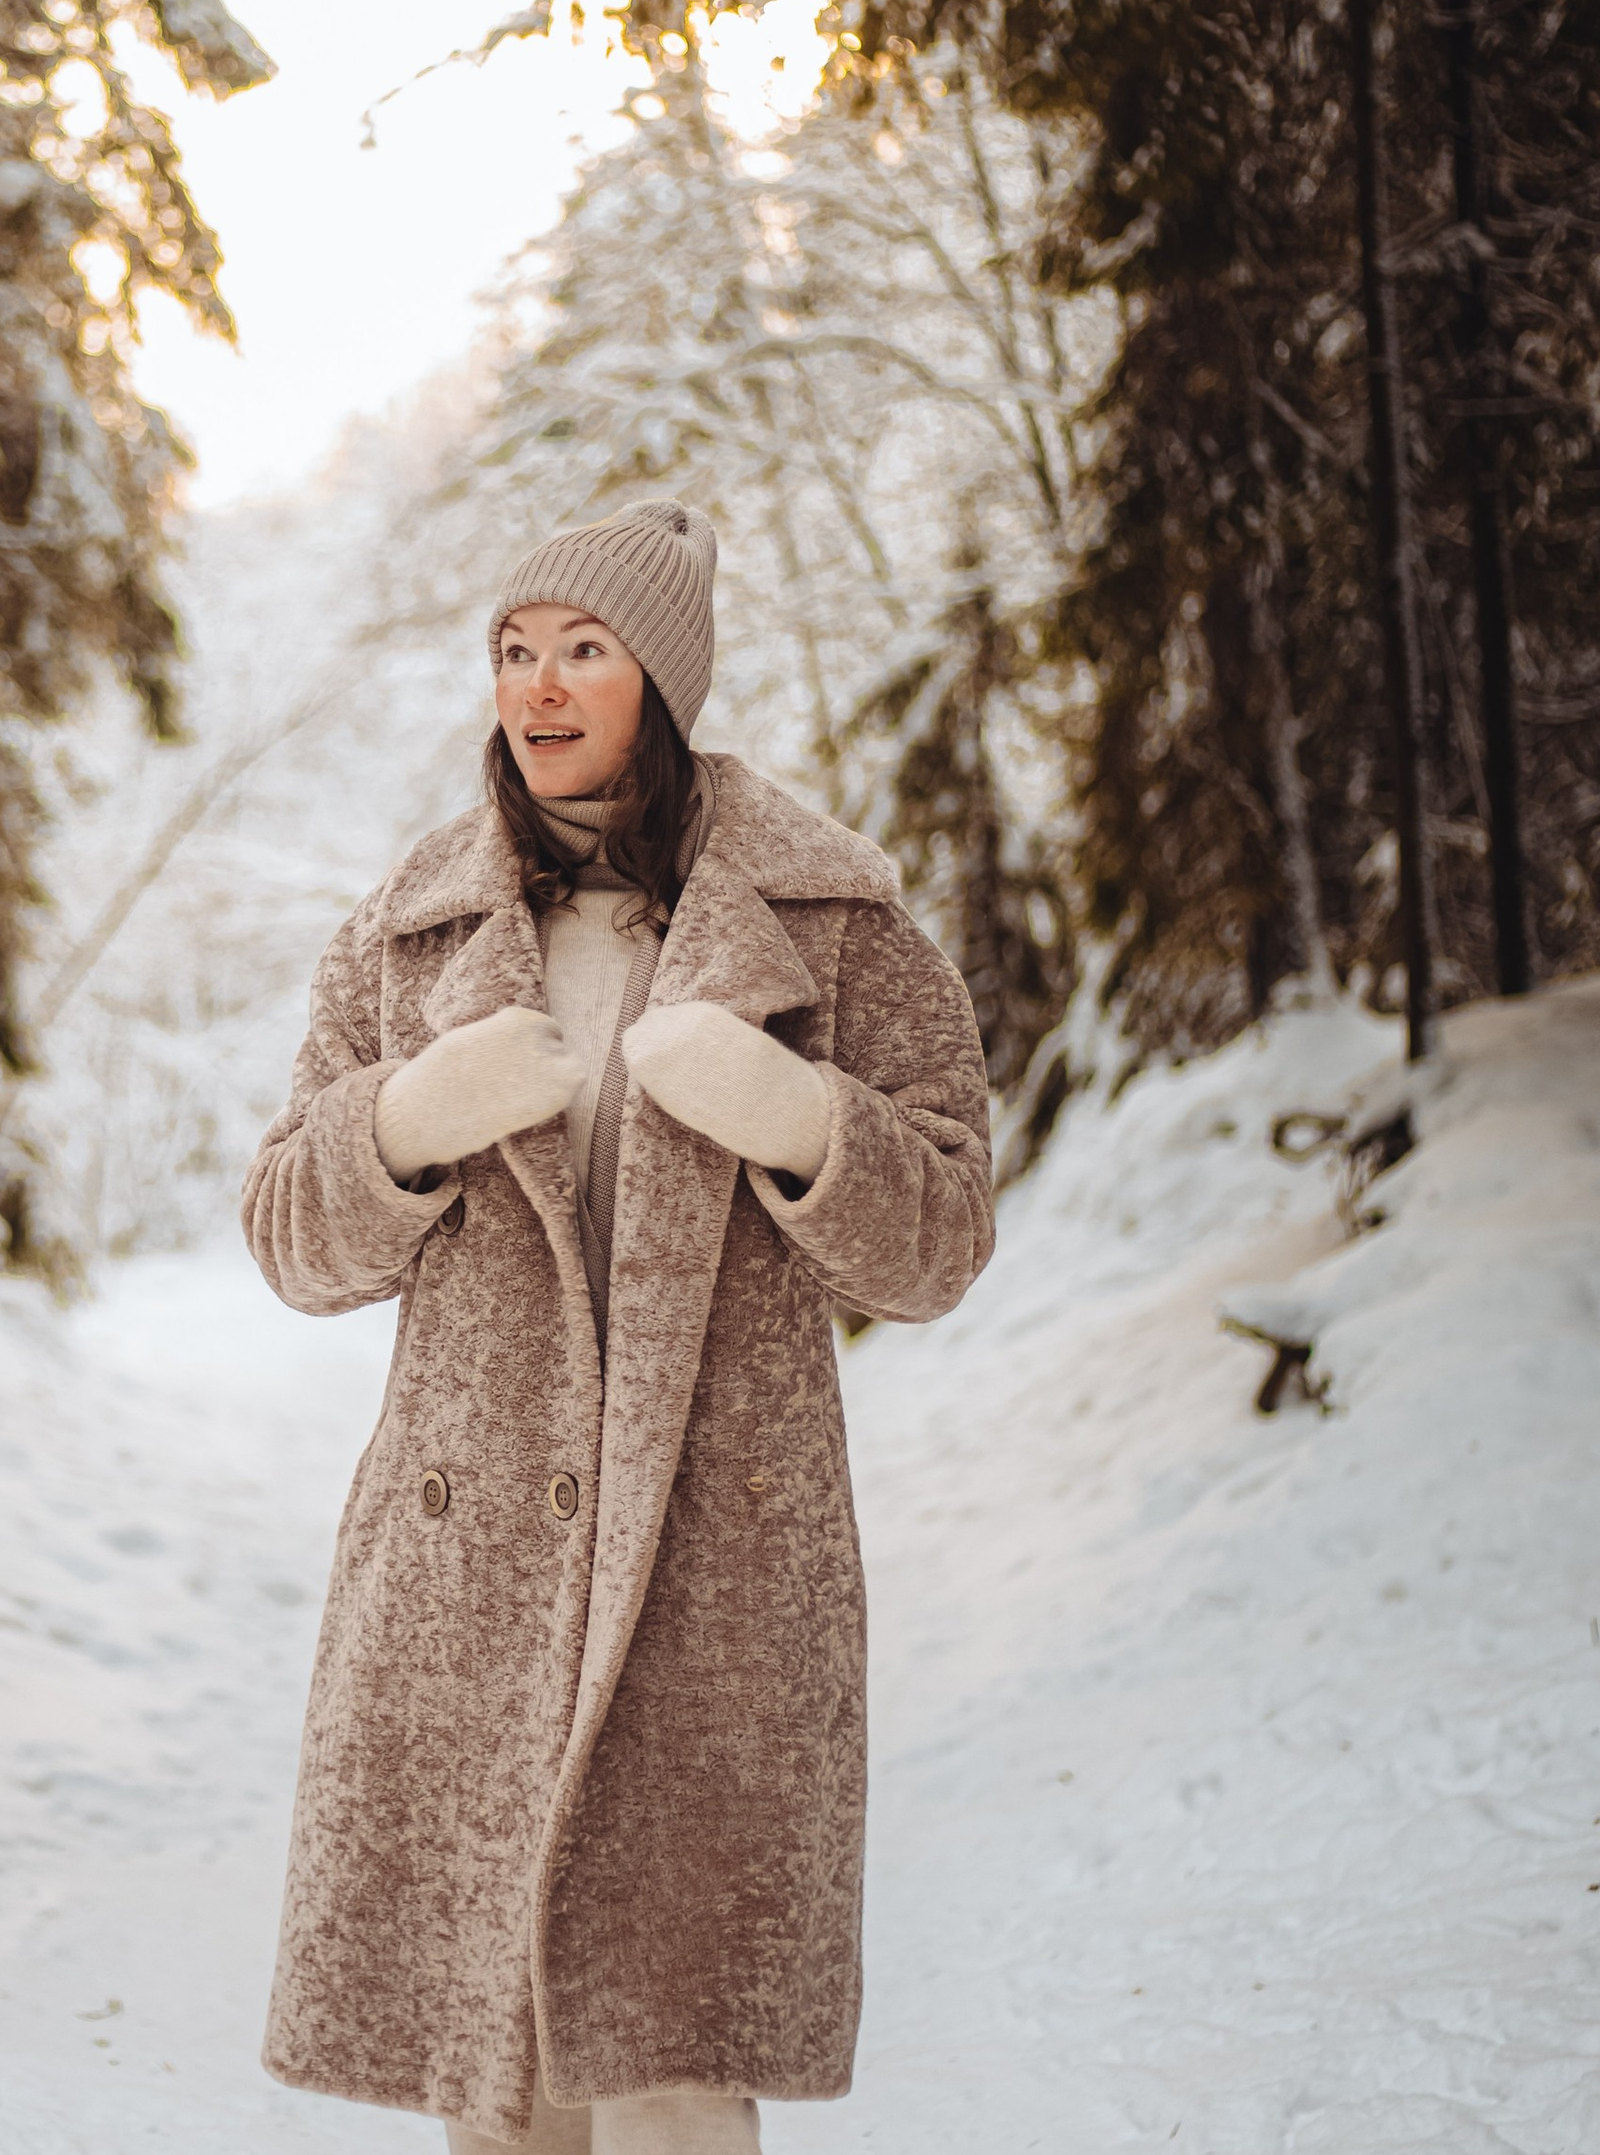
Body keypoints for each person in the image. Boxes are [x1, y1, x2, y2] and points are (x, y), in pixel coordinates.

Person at [241, 500, 995, 2151]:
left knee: (672, 2082)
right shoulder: (410, 932)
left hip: (707, 1582)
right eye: (516, 652)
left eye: (586, 650)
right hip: (471, 1587)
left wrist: (802, 1118)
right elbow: (289, 1238)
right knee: (500, 2093)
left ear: (664, 677)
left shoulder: (834, 928)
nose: (541, 689)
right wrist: (406, 1117)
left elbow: (942, 1241)